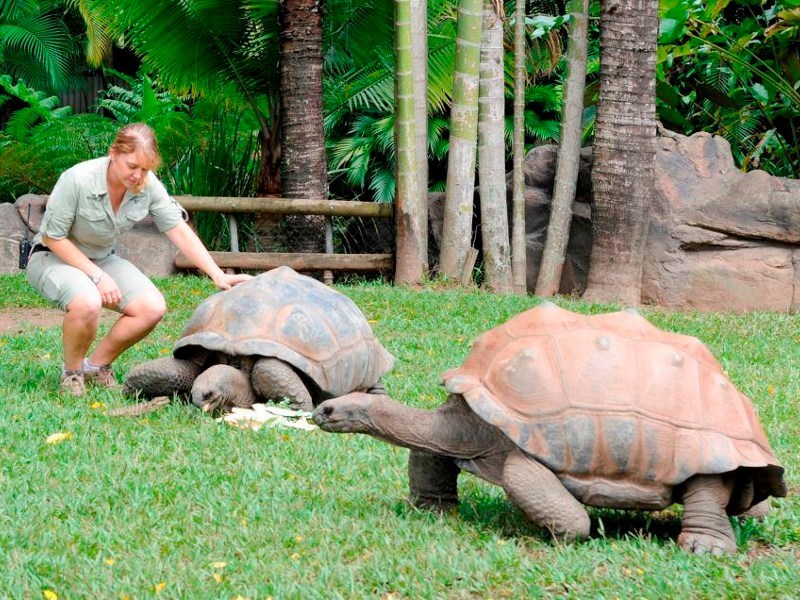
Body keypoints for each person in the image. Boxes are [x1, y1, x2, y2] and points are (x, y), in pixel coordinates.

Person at [25, 123, 251, 396]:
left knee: (152, 307)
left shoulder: (147, 183)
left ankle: (95, 367)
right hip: (52, 257)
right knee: (88, 301)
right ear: (113, 153)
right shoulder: (77, 179)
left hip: (101, 259)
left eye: (145, 168)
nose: (138, 175)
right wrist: (97, 277)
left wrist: (217, 274)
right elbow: (53, 238)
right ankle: (72, 374)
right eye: (132, 166)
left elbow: (177, 229)